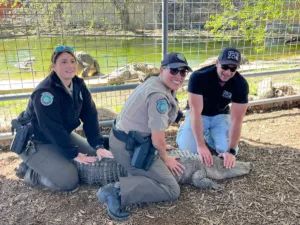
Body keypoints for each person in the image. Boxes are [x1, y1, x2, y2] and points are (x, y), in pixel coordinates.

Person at [97, 52, 192, 221]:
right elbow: (157, 137)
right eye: (174, 71)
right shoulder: (158, 97)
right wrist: (165, 156)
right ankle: (116, 191)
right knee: (172, 189)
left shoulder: (155, 81)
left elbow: (154, 132)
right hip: (129, 148)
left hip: (126, 139)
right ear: (162, 70)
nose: (179, 76)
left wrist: (160, 146)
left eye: (183, 72)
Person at [13, 46, 113, 191]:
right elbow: (50, 127)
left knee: (91, 155)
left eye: (72, 61)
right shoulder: (45, 92)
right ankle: (32, 172)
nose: (70, 65)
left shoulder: (78, 84)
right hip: (35, 140)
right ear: (54, 67)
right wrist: (72, 153)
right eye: (63, 62)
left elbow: (90, 115)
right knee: (68, 181)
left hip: (58, 133)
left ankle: (47, 163)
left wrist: (98, 145)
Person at [176, 47, 249, 169]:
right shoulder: (198, 77)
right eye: (225, 67)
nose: (228, 72)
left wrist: (231, 152)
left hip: (220, 115)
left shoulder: (241, 84)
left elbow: (237, 120)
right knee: (189, 150)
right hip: (198, 114)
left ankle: (210, 135)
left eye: (233, 68)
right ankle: (184, 130)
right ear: (217, 63)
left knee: (228, 150)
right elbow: (195, 112)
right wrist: (201, 145)